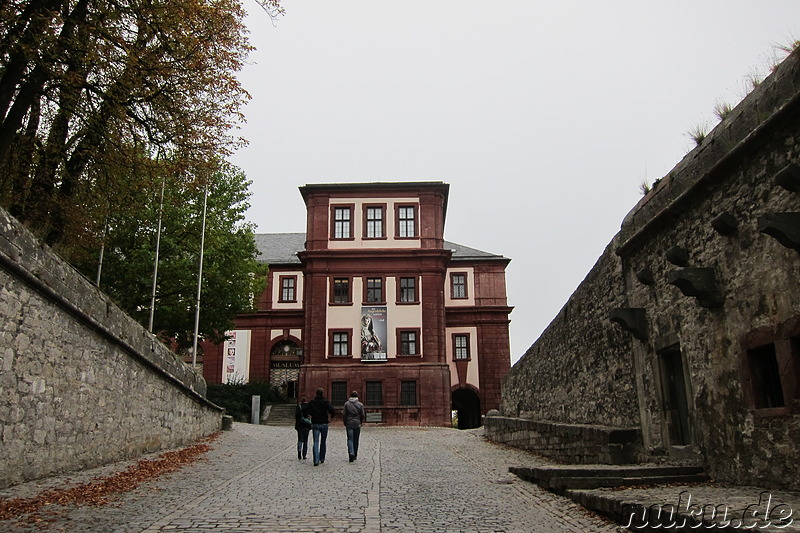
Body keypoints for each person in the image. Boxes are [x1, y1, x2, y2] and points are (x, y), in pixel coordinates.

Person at [307, 387, 335, 466]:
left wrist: (310, 415)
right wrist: (331, 416)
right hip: (324, 423)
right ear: (322, 393)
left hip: (315, 423)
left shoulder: (312, 402)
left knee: (315, 441)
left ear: (316, 393)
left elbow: (306, 410)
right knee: (323, 441)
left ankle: (316, 460)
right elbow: (332, 410)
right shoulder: (325, 402)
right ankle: (322, 458)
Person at [342, 390, 365, 462]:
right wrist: (360, 422)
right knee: (356, 439)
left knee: (350, 439)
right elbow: (362, 415)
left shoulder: (346, 404)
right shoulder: (360, 404)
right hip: (357, 423)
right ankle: (355, 454)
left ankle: (351, 453)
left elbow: (344, 414)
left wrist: (345, 422)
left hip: (349, 423)